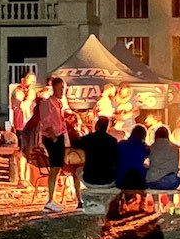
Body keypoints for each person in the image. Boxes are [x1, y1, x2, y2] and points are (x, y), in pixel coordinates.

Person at [37, 76, 73, 213]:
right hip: (53, 137)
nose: (62, 91)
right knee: (54, 167)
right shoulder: (47, 103)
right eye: (60, 88)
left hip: (60, 136)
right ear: (54, 88)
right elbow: (45, 122)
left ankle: (52, 198)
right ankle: (50, 200)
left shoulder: (59, 103)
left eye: (63, 88)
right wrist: (53, 137)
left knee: (57, 168)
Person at [73, 115, 119, 208]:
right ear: (107, 127)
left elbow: (75, 144)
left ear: (96, 126)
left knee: (76, 170)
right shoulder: (113, 141)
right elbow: (116, 160)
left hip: (89, 179)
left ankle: (79, 199)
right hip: (108, 179)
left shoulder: (88, 139)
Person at [145, 124, 180, 211]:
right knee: (171, 174)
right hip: (171, 182)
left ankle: (156, 203)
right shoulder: (176, 147)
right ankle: (170, 202)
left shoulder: (151, 147)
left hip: (154, 182)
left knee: (152, 174)